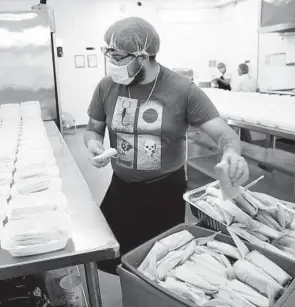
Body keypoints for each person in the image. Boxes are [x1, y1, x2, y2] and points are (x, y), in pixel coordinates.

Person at [84, 17, 249, 275]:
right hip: (121, 189)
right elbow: (93, 129)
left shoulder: (182, 90)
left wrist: (230, 152)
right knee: (115, 260)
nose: (112, 64)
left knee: (161, 266)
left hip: (164, 192)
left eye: (118, 57)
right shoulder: (107, 87)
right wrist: (93, 144)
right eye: (110, 56)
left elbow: (224, 134)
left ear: (142, 56)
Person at [231, 63, 257, 143]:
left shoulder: (239, 79)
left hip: (241, 104)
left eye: (238, 70)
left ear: (241, 70)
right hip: (250, 104)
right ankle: (246, 141)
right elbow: (257, 89)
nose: (237, 71)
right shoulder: (253, 79)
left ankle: (247, 142)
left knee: (241, 125)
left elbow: (234, 91)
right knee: (245, 125)